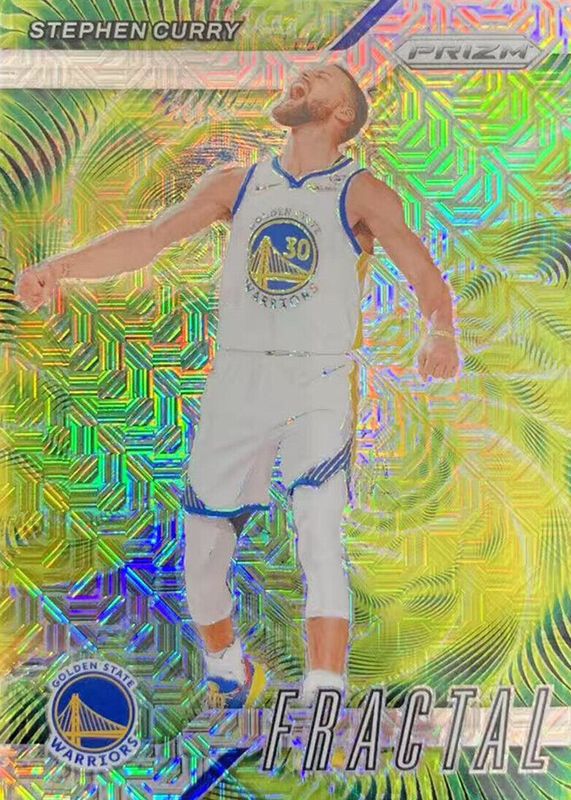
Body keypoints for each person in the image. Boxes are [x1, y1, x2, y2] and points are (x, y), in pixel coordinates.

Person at [15, 63, 460, 709]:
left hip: (317, 376)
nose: (301, 77)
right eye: (300, 73)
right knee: (202, 552)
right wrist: (59, 268)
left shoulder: (361, 192)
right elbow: (149, 240)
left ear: (343, 113)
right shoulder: (237, 183)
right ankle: (226, 665)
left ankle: (325, 689)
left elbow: (422, 271)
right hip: (238, 378)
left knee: (317, 531)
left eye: (320, 77)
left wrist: (439, 331)